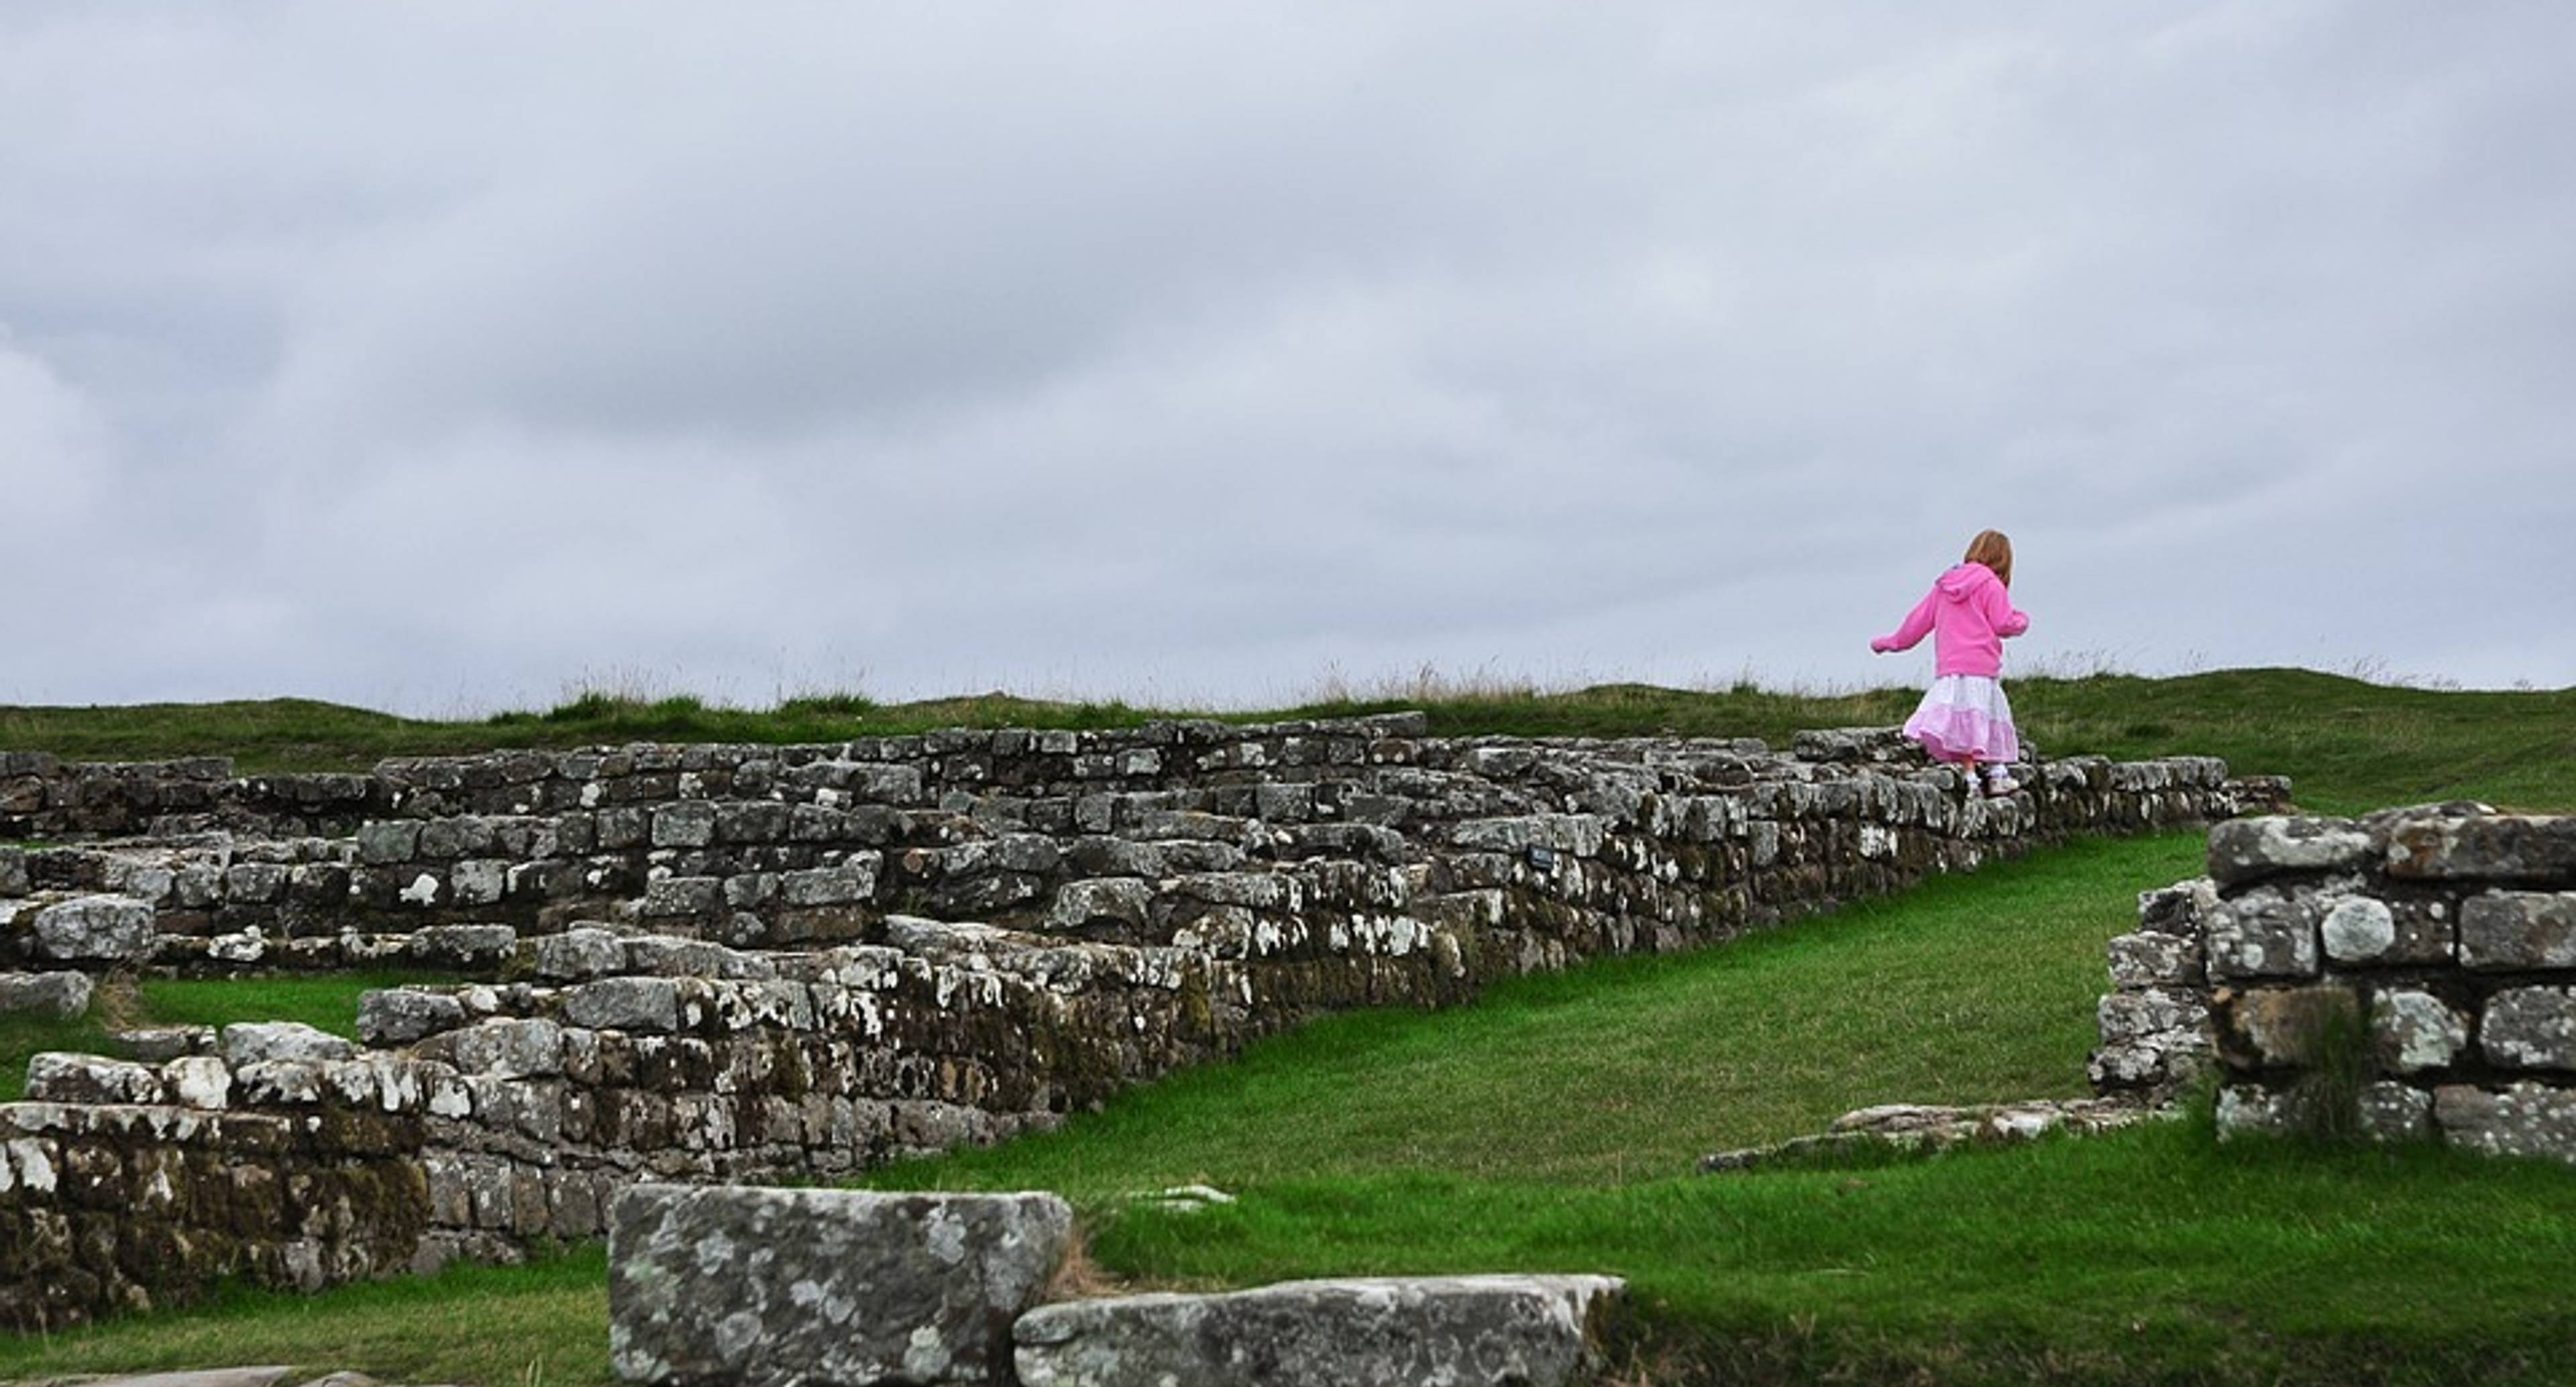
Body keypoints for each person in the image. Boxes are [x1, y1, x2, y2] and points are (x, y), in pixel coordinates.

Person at [1870, 529, 2029, 796]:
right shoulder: (1991, 585)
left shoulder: (1944, 586)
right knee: (1986, 719)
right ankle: (1998, 773)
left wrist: (1892, 642)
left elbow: (1918, 621)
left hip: (1951, 669)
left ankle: (1969, 777)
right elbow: (2003, 623)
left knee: (1961, 725)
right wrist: (2022, 620)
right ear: (2004, 560)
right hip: (1982, 667)